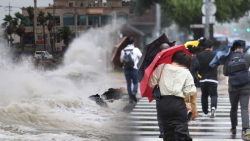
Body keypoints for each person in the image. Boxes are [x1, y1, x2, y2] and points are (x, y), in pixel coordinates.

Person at [149, 51, 196, 141]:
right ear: (185, 62)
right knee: (182, 130)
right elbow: (190, 90)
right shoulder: (186, 72)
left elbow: (151, 83)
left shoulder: (161, 68)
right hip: (177, 102)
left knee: (167, 131)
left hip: (163, 102)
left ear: (173, 58)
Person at [223, 42, 250, 140]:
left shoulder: (228, 58)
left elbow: (225, 73)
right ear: (242, 49)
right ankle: (244, 130)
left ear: (232, 49)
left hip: (233, 87)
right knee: (244, 108)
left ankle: (234, 128)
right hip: (246, 86)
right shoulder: (247, 56)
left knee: (233, 107)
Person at [196, 40, 218, 118]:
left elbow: (197, 66)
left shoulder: (199, 55)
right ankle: (213, 107)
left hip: (203, 78)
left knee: (204, 96)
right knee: (214, 95)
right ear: (212, 47)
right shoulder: (215, 54)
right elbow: (218, 65)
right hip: (213, 78)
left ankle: (205, 112)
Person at [120, 37, 142, 103]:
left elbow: (121, 60)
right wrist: (137, 61)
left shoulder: (123, 50)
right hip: (134, 68)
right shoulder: (136, 49)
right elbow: (140, 56)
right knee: (135, 82)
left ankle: (131, 98)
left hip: (126, 69)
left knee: (129, 84)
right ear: (133, 43)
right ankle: (134, 92)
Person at [157, 43, 170, 138]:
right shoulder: (174, 60)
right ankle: (168, 130)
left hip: (160, 90)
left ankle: (162, 131)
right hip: (171, 90)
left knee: (160, 112)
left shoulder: (156, 61)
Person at [185, 47, 200, 121]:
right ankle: (194, 115)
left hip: (186, 81)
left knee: (185, 100)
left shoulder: (184, 59)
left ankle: (189, 109)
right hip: (194, 81)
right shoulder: (195, 58)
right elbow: (198, 68)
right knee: (193, 100)